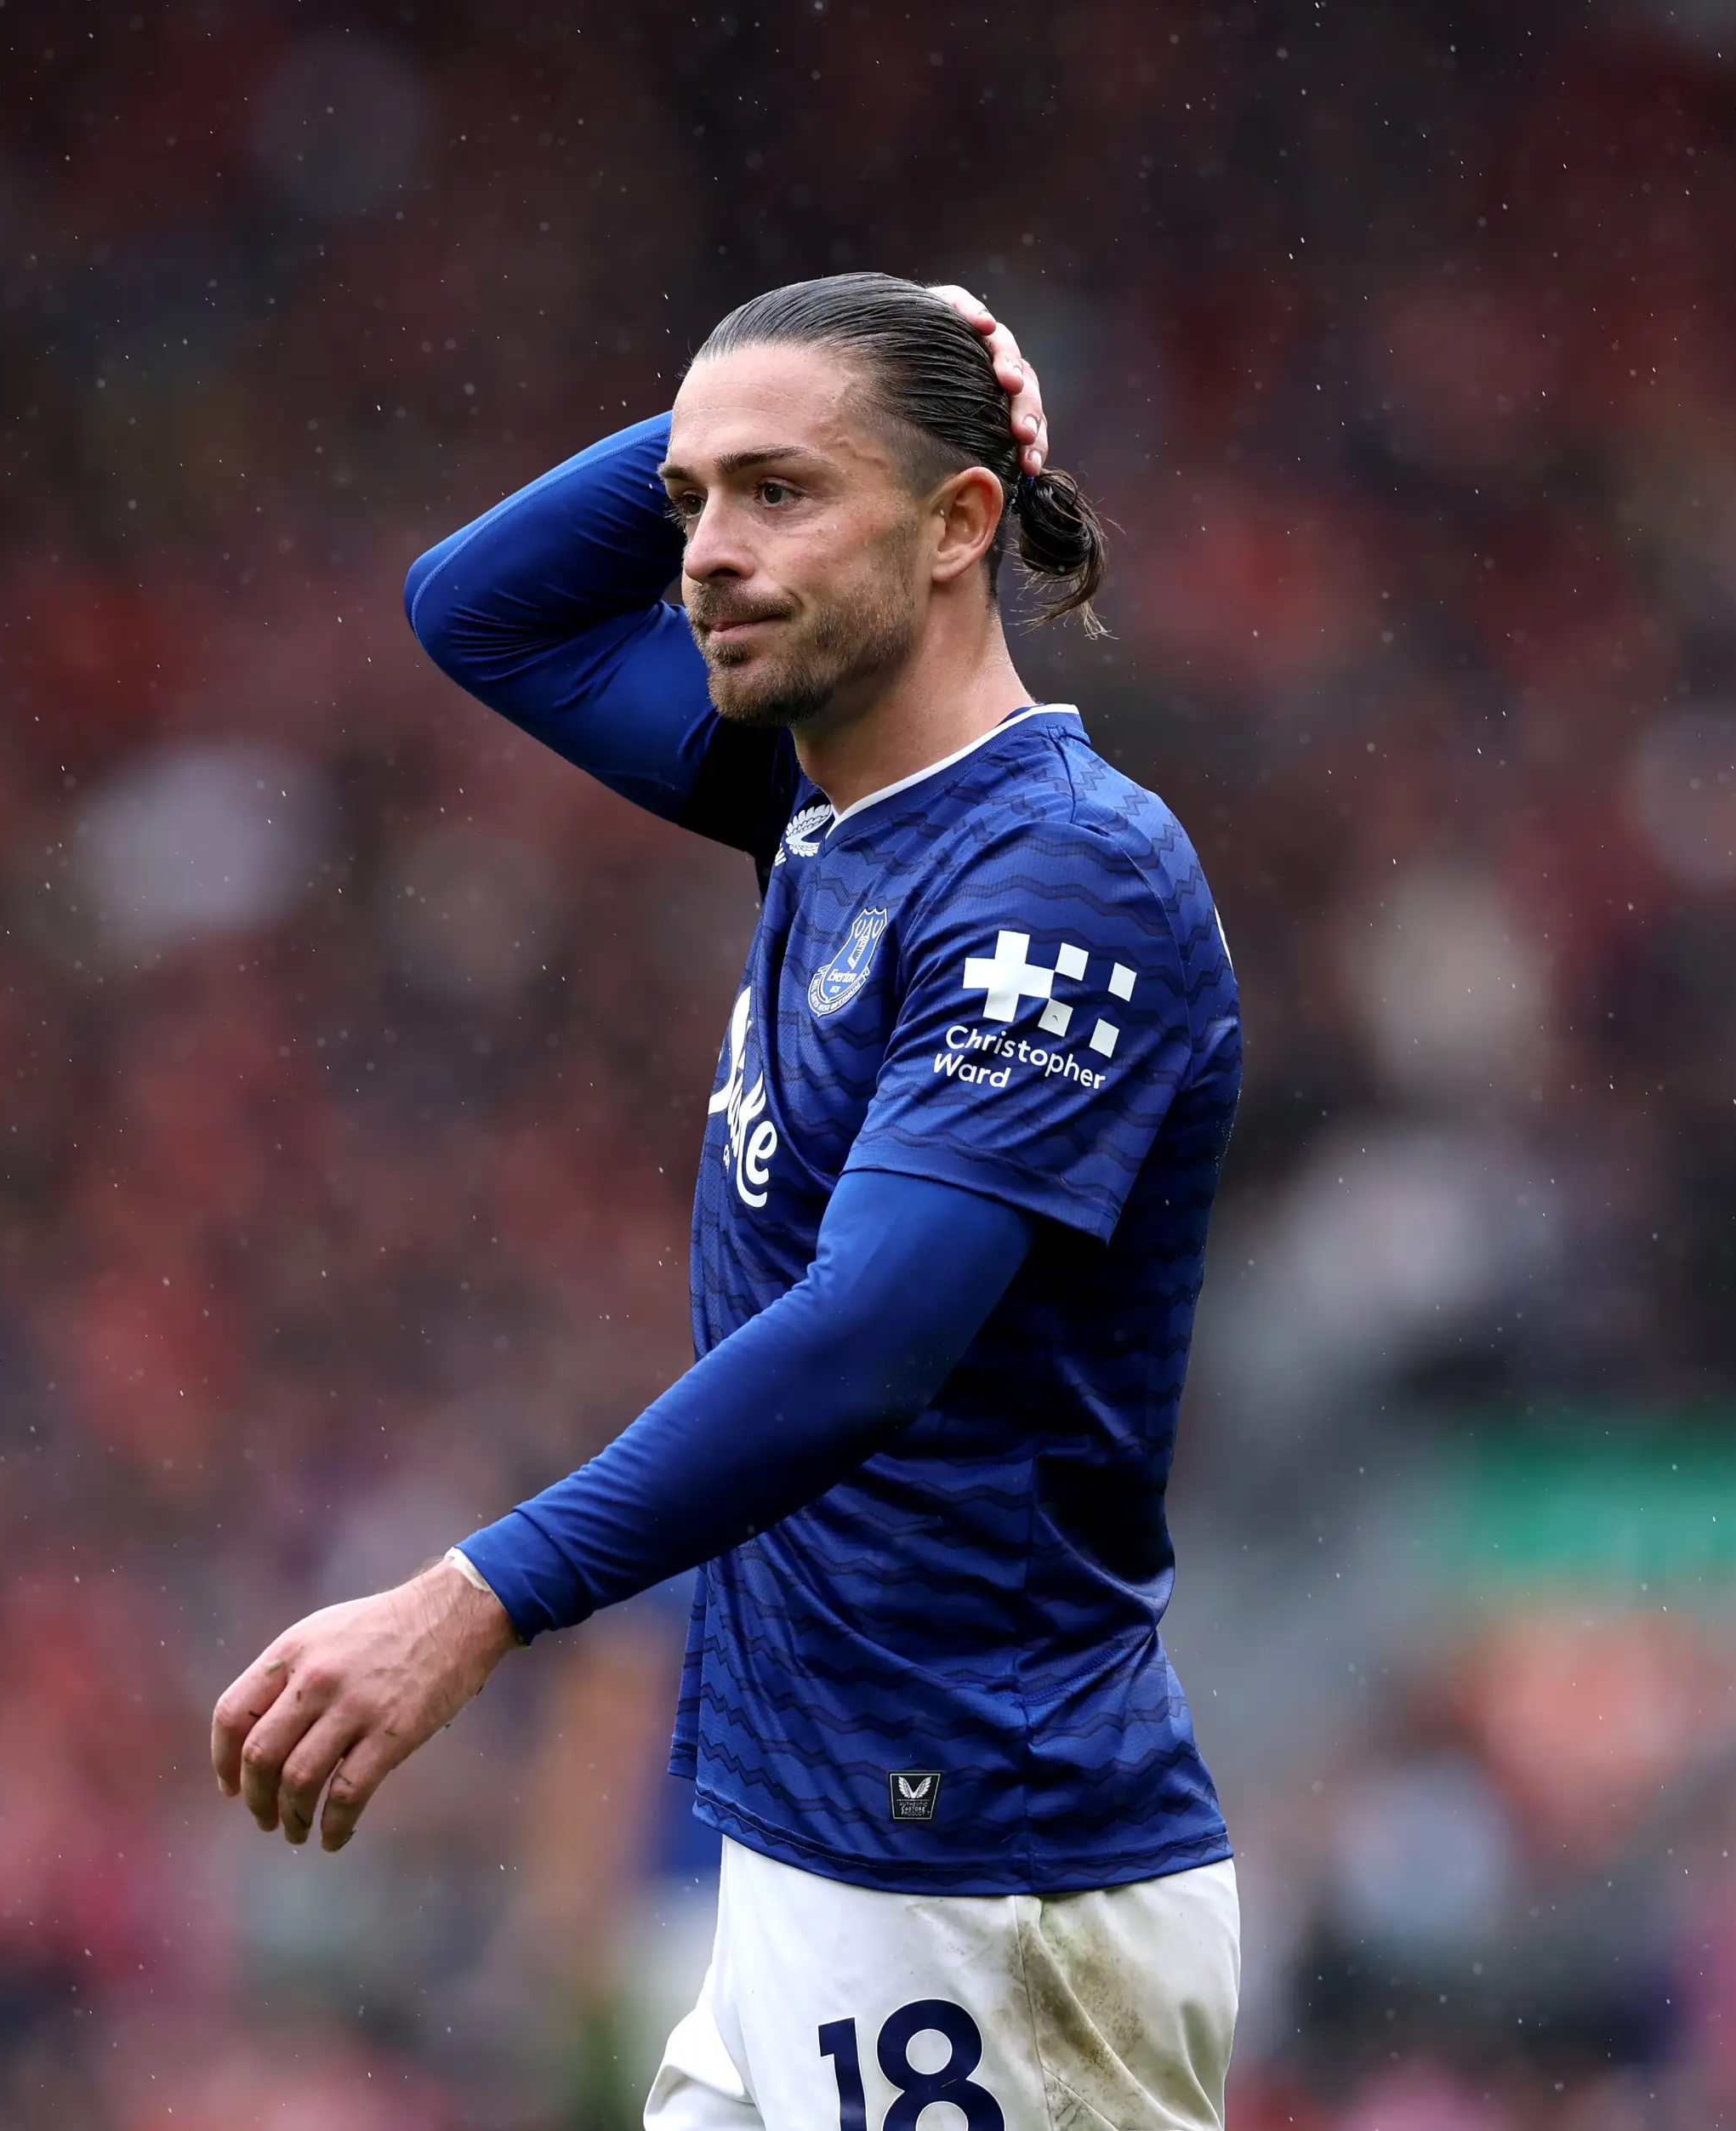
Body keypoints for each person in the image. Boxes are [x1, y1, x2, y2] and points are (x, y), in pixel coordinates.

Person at [210, 273, 1244, 2128]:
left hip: (982, 1887)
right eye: (691, 502)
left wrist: (475, 1598)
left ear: (958, 528)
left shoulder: (1062, 880)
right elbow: (480, 609)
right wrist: (860, 368)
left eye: (781, 493)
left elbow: (868, 1342)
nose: (705, 553)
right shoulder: (827, 806)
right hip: (823, 1849)